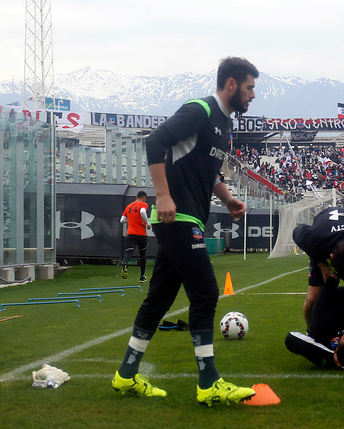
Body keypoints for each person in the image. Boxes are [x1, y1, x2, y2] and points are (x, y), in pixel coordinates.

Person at [111, 57, 259, 406]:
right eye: (250, 87)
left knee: (159, 300)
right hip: (179, 219)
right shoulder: (200, 110)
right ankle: (209, 383)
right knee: (206, 293)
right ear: (232, 84)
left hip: (190, 217)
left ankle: (125, 376)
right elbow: (155, 141)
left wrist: (229, 198)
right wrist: (162, 195)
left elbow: (209, 173)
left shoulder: (224, 125)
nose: (253, 95)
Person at [120, 191, 151, 282]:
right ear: (144, 198)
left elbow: (122, 220)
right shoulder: (143, 204)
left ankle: (125, 263)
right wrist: (148, 223)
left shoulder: (128, 206)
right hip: (141, 234)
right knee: (142, 254)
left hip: (130, 233)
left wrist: (130, 219)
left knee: (128, 252)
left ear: (136, 196)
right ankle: (142, 276)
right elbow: (142, 212)